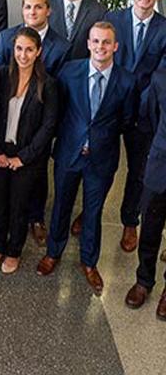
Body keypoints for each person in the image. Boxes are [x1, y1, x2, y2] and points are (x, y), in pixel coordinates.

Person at [37, 22, 135, 295]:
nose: (100, 47)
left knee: (93, 212)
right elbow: (60, 111)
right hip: (69, 153)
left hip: (102, 159)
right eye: (96, 41)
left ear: (115, 46)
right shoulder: (69, 72)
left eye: (106, 42)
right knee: (61, 206)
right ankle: (53, 253)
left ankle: (89, 263)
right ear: (88, 44)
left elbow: (127, 120)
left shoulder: (127, 81)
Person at [77, 0, 166, 253]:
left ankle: (130, 220)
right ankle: (89, 211)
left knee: (138, 169)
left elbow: (160, 76)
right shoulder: (113, 19)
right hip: (109, 107)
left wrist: (139, 102)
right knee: (103, 165)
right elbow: (99, 57)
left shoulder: (165, 29)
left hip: (144, 113)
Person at [0, 0, 71, 239]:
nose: (32, 11)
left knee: (36, 178)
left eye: (38, 6)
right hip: (8, 116)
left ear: (48, 10)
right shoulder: (8, 37)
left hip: (37, 120)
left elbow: (59, 89)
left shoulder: (61, 46)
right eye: (28, 6)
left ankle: (36, 217)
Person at [0, 27, 58, 274]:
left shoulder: (47, 85)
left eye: (29, 49)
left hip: (28, 157)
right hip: (0, 153)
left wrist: (23, 158)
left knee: (19, 207)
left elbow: (48, 127)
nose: (23, 55)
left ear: (38, 51)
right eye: (19, 48)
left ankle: (14, 250)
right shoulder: (1, 76)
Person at [124, 67, 166, 319]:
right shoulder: (161, 77)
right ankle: (144, 280)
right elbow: (149, 118)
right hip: (160, 164)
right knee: (150, 226)